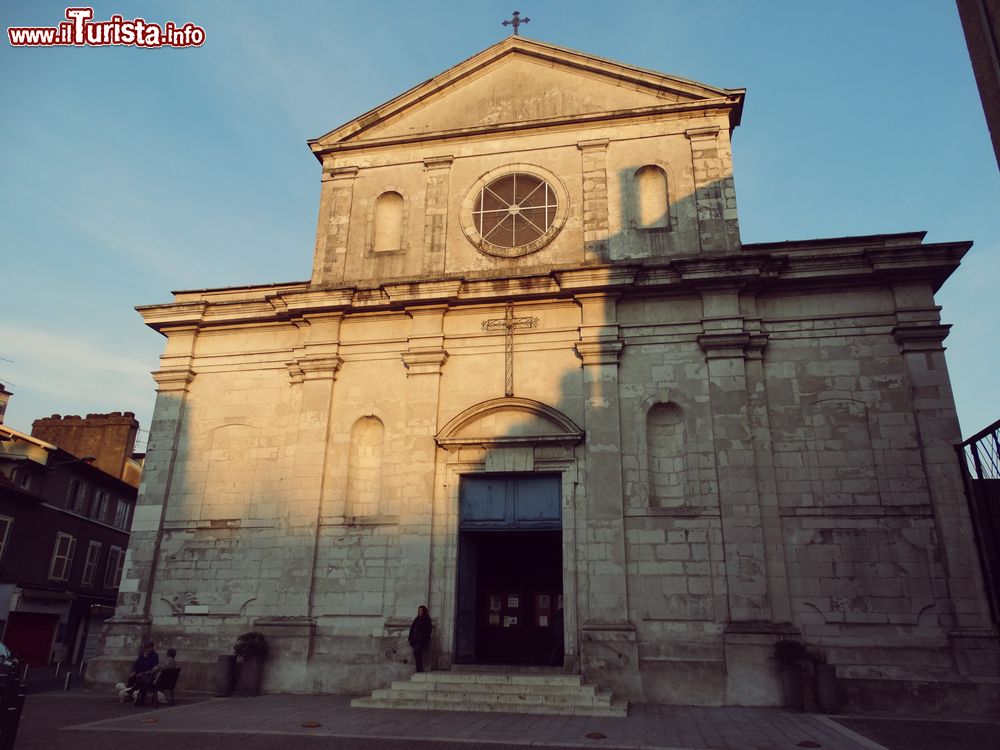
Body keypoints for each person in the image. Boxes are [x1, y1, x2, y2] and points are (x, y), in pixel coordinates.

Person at [408, 605, 432, 673]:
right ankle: (419, 668)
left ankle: (419, 668)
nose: (419, 612)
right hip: (415, 640)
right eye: (418, 610)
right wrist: (410, 638)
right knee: (417, 653)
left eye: (420, 610)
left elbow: (429, 630)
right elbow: (412, 629)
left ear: (424, 611)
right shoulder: (416, 619)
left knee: (417, 651)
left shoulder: (427, 619)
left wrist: (424, 637)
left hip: (422, 640)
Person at [548, 601, 564, 666]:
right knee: (557, 647)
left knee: (557, 647)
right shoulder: (562, 613)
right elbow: (561, 624)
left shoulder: (557, 613)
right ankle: (552, 660)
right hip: (560, 633)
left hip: (557, 633)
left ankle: (553, 660)